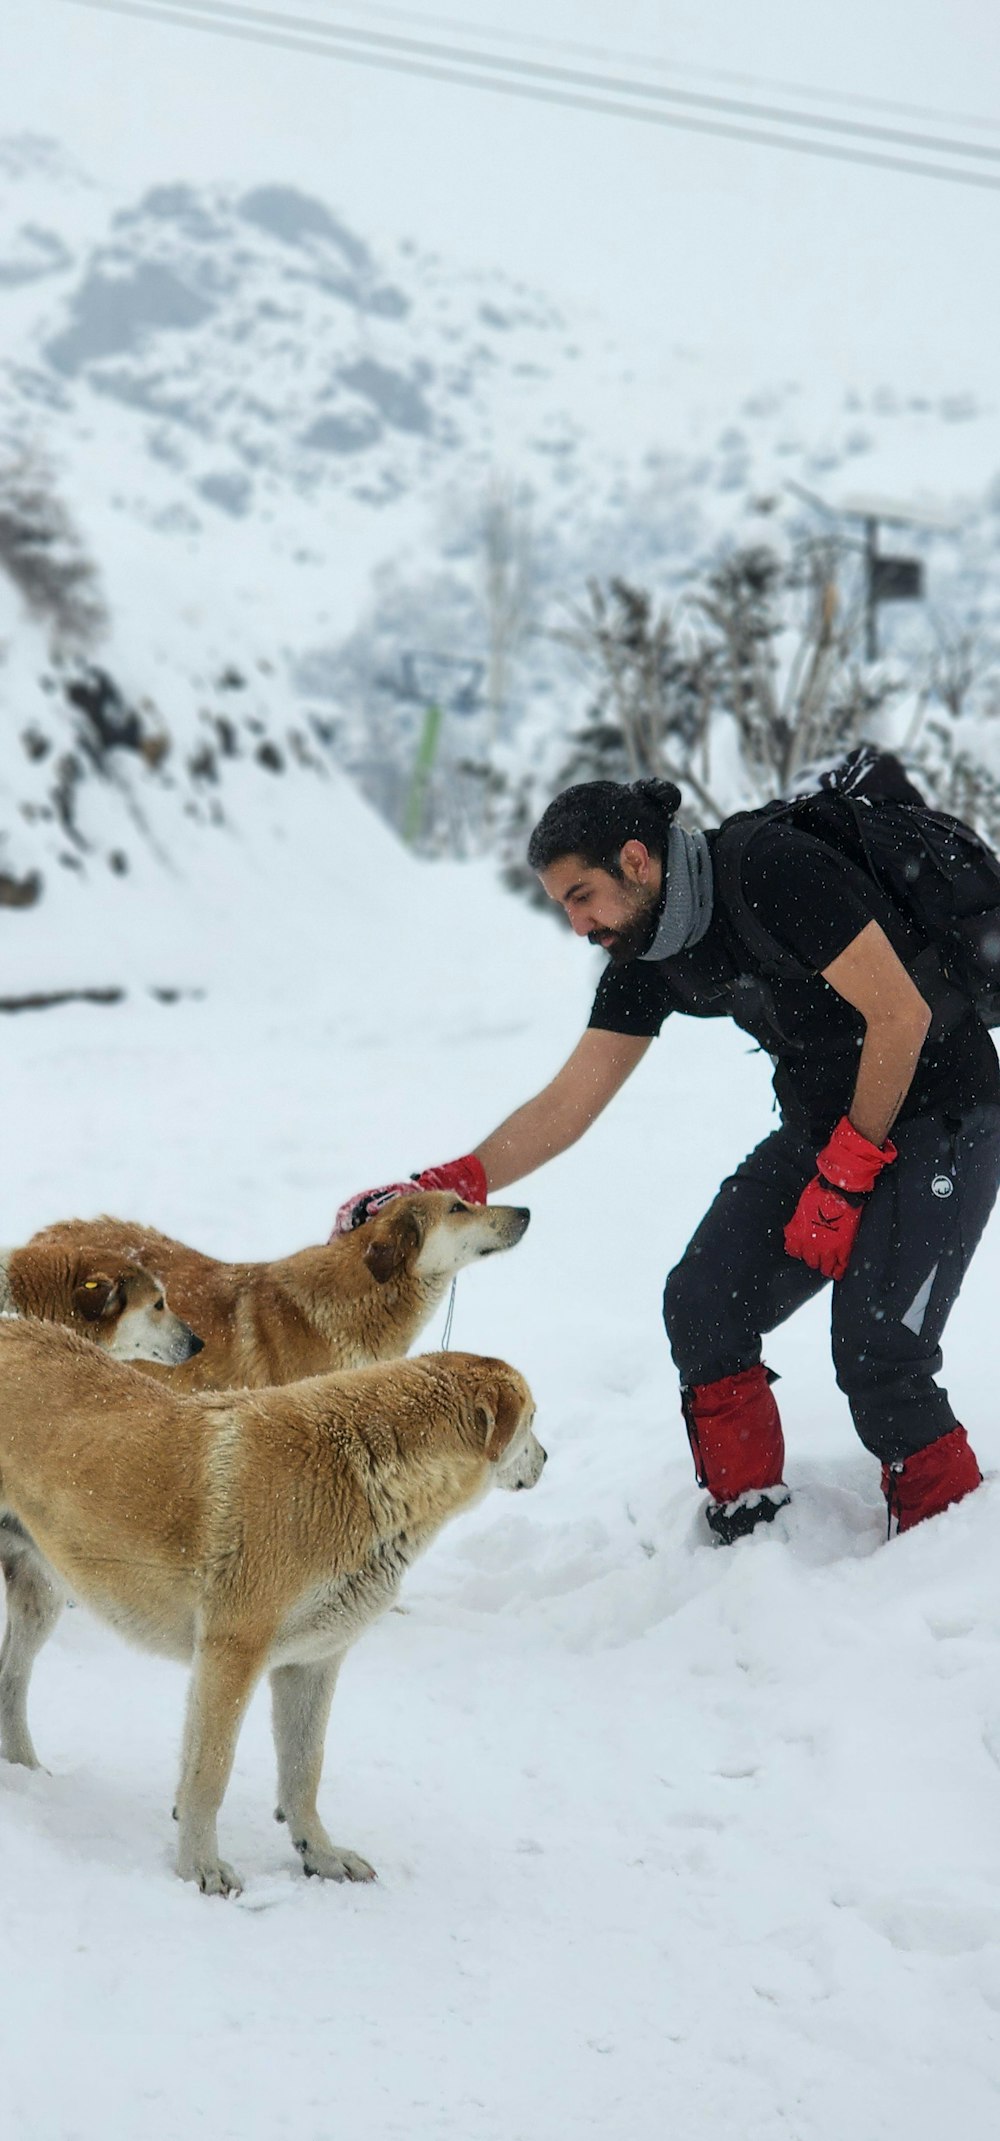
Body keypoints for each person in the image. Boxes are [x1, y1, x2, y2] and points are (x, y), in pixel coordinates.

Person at [336, 778, 1000, 1543]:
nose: (579, 924)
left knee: (881, 1350)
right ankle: (750, 1533)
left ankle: (945, 1546)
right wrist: (440, 1185)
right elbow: (568, 1102)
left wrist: (846, 1174)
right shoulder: (647, 953)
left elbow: (900, 1013)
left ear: (637, 860)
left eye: (583, 896)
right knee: (704, 1301)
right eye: (564, 906)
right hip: (826, 1128)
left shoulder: (772, 872)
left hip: (942, 1113)